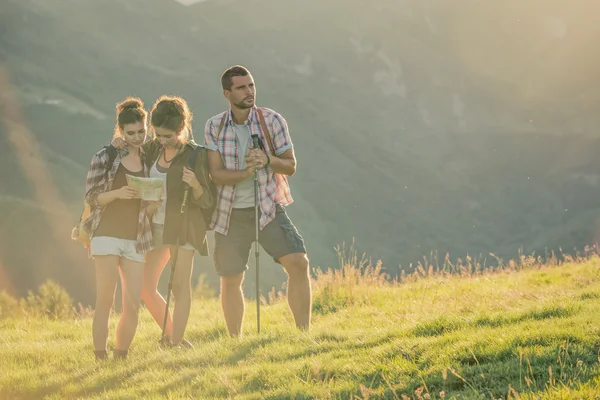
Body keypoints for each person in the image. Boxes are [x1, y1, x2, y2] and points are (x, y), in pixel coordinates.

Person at [204, 65, 311, 337]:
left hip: (267, 207)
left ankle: (303, 334)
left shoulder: (272, 121)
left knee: (298, 263)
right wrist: (245, 172)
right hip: (229, 212)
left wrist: (266, 160)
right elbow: (215, 174)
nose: (249, 91)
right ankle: (234, 340)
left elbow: (290, 166)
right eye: (241, 87)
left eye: (251, 85)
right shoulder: (214, 126)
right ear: (227, 93)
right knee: (231, 278)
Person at [114, 95, 213, 347]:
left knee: (180, 288)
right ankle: (172, 336)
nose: (162, 140)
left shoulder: (195, 155)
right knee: (146, 287)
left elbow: (208, 200)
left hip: (183, 227)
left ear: (181, 129)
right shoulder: (151, 148)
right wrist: (118, 144)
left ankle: (176, 343)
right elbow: (126, 161)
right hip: (152, 225)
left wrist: (197, 186)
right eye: (158, 134)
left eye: (168, 136)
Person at [82, 97, 159, 360]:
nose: (137, 137)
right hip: (105, 234)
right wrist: (118, 193)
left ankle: (121, 356)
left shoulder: (150, 159)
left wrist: (152, 204)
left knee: (133, 304)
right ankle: (99, 356)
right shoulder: (106, 156)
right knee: (105, 298)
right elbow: (92, 197)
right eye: (131, 133)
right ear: (120, 131)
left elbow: (147, 211)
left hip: (135, 238)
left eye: (141, 131)